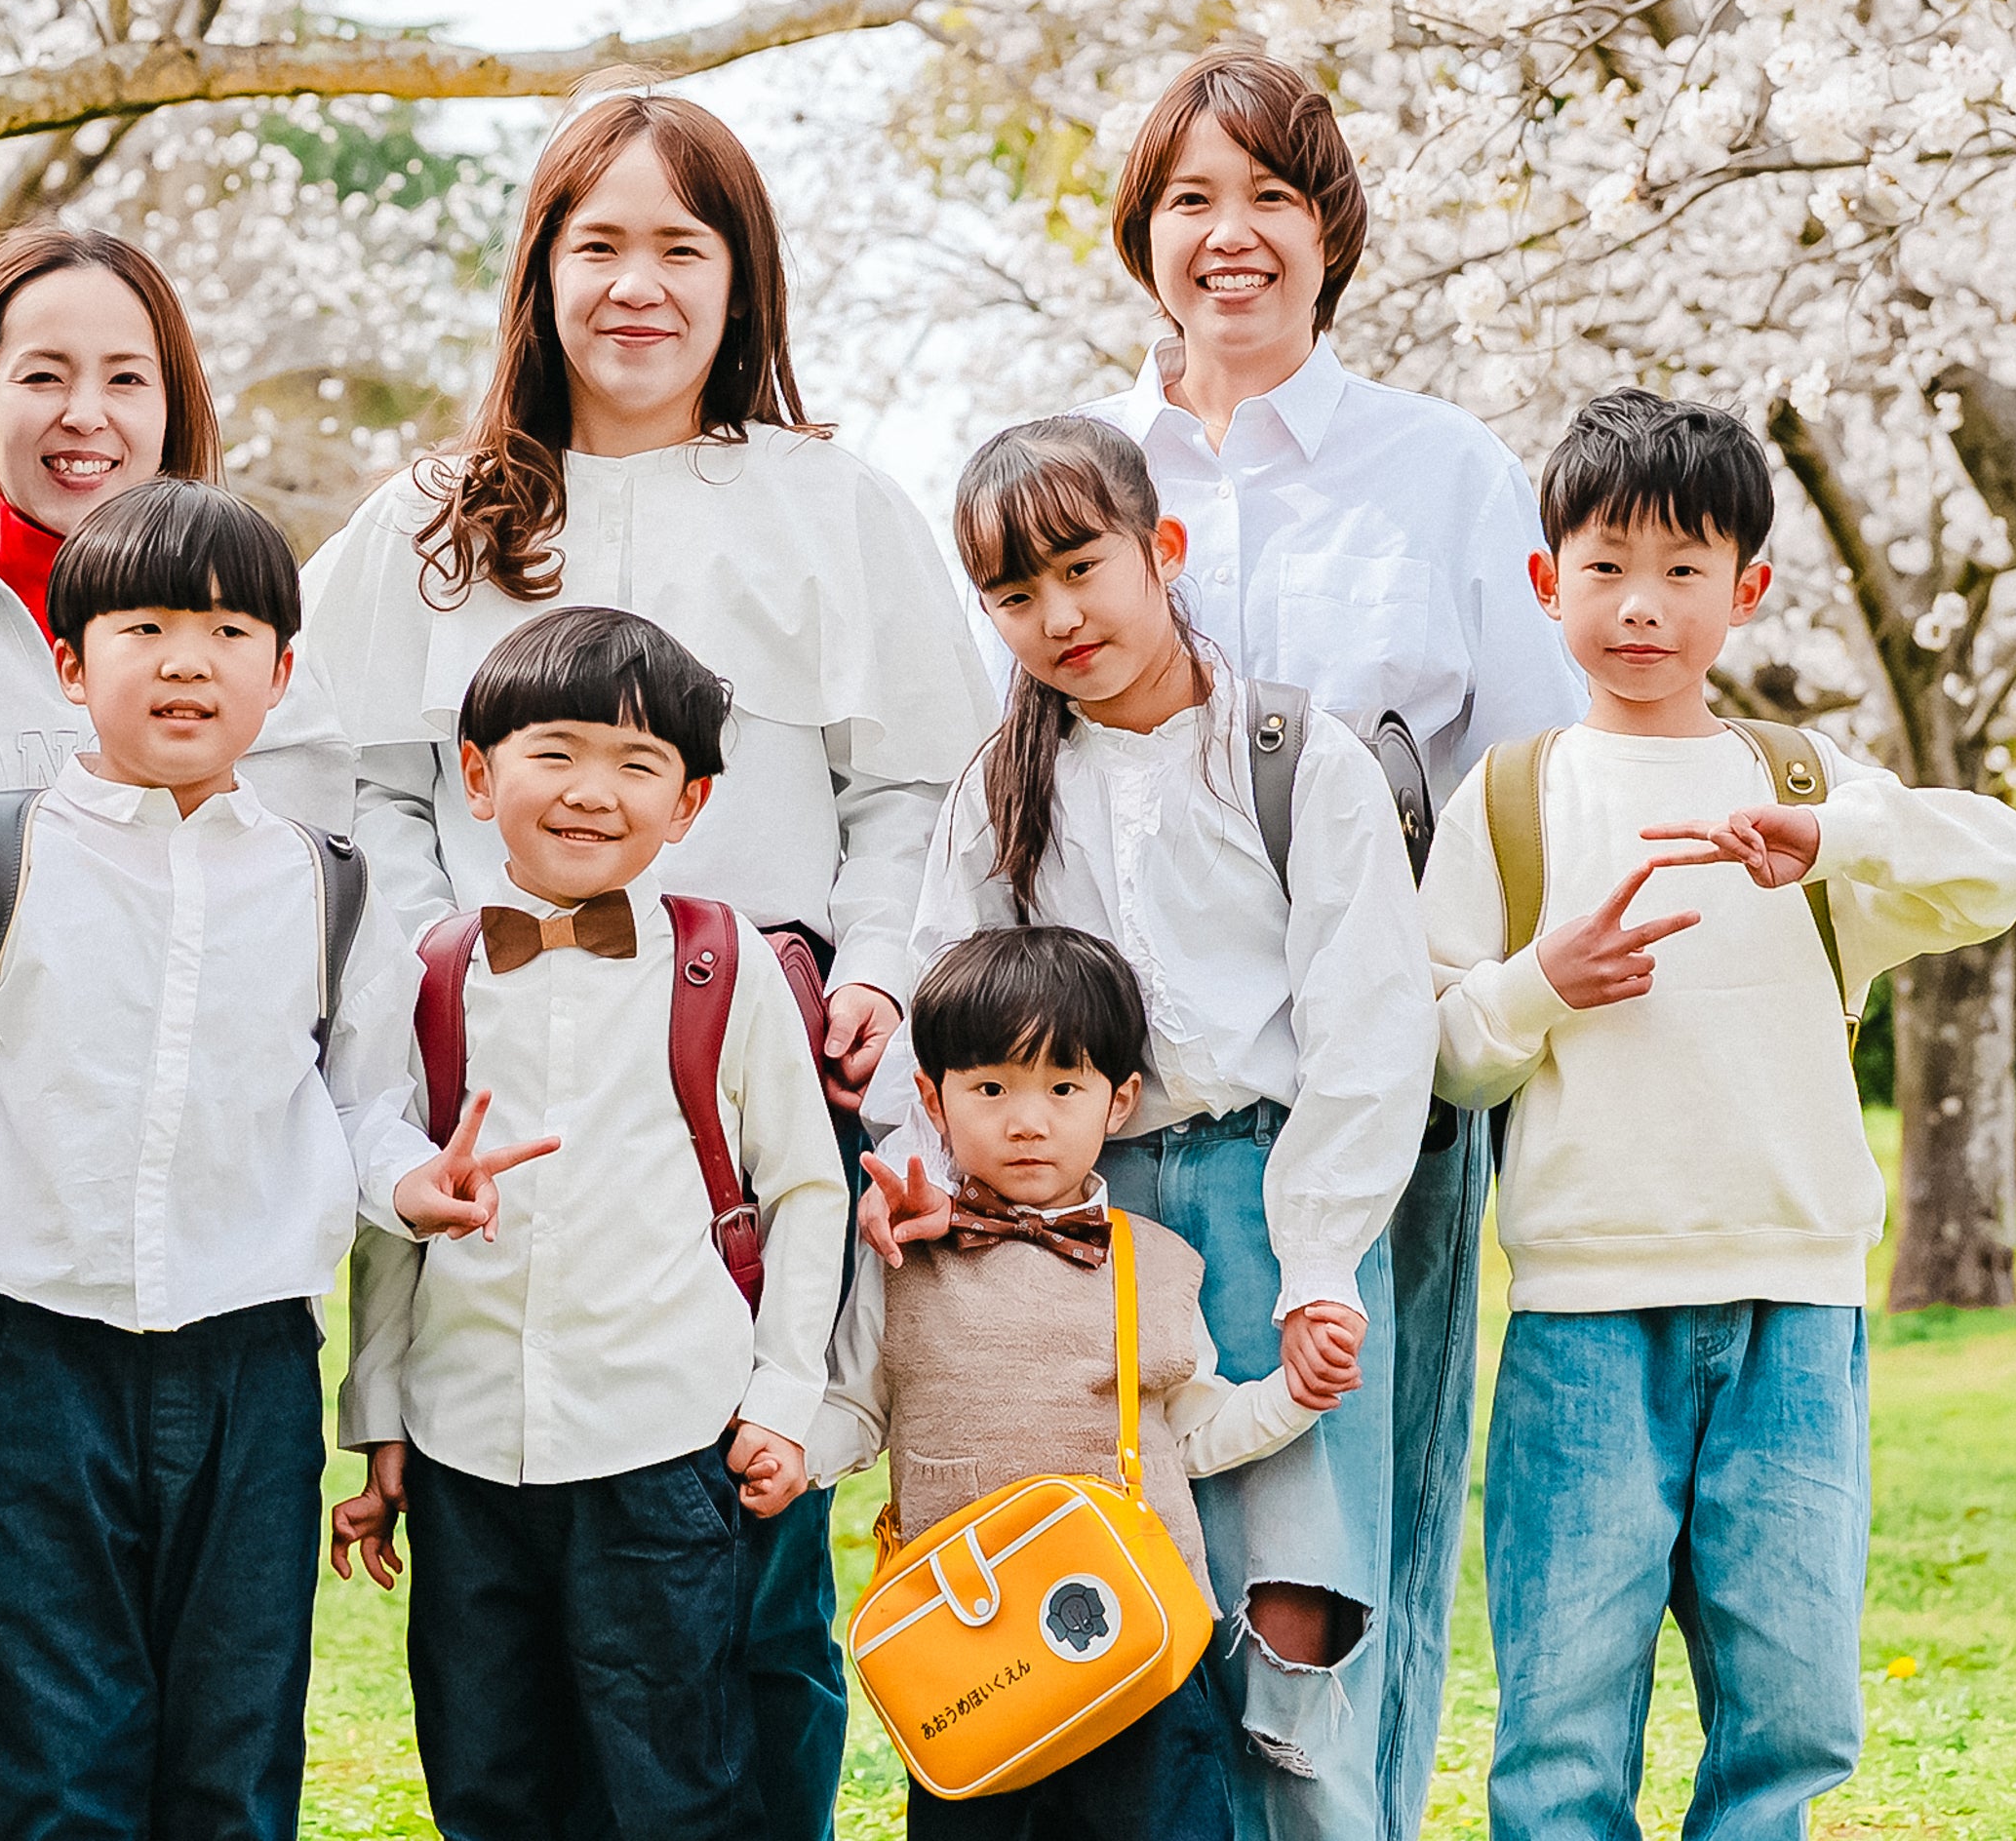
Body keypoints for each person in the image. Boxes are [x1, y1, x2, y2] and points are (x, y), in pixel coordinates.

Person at [275, 84, 995, 1838]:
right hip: (495, 1065)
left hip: (758, 1048)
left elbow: (924, 779)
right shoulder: (440, 516)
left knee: (738, 1588)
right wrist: (433, 962)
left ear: (743, 282)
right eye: (598, 244)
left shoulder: (829, 504)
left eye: (686, 246)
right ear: (540, 275)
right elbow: (332, 768)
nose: (638, 287)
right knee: (505, 1667)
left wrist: (876, 977)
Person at [0, 477, 543, 1841]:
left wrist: (415, 1184)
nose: (182, 662)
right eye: (143, 626)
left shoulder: (329, 885)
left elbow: (363, 1106)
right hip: (39, 1360)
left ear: (281, 675)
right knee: (50, 1759)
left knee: (233, 1758)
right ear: (66, 659)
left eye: (225, 634)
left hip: (253, 1368)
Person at [1075, 43, 1588, 1841]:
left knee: (1344, 1560)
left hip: (1371, 1110)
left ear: (1331, 230)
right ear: (1142, 239)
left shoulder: (1440, 473)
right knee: (1119, 1554)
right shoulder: (1080, 474)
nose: (1233, 239)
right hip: (1112, 1126)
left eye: (1272, 197)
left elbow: (1533, 780)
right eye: (1192, 201)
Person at [1423, 392, 2016, 1841]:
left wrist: (1835, 838)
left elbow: (2004, 867)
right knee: (1562, 1728)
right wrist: (1541, 980)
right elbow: (1445, 1057)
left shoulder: (1805, 788)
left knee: (1794, 1715)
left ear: (1748, 590)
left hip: (1794, 1314)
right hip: (1584, 1322)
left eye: (1686, 569)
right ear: (1545, 583)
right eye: (1607, 565)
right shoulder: (1512, 799)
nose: (1643, 605)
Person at [864, 417, 1432, 1835]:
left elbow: (1366, 1030)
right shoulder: (999, 789)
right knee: (1098, 1617)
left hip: (1273, 1188)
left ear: (1160, 550)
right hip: (1078, 1223)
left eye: (1080, 566)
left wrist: (1316, 1262)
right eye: (1011, 593)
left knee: (1296, 1615)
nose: (1056, 617)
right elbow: (950, 1004)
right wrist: (922, 1174)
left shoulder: (1295, 756)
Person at [330, 607, 852, 1841]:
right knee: (487, 1768)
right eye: (554, 752)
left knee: (675, 1776)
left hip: (663, 1442)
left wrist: (783, 1397)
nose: (590, 793)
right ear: (475, 773)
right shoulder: (435, 973)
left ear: (690, 803)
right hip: (468, 1451)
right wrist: (380, 1417)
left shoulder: (725, 967)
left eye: (638, 765)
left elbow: (806, 1191)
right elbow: (400, 1213)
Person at [0, 227, 225, 1841]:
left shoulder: (239, 618)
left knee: (156, 1697)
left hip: (168, 1254)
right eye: (43, 375)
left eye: (124, 378)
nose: (85, 414)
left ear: (175, 405)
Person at [815, 927, 1322, 1841]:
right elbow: (856, 1405)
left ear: (1118, 1100)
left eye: (1063, 1088)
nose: (1027, 1120)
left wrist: (1290, 1394)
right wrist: (789, 1452)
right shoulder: (901, 1259)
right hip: (971, 1653)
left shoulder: (1154, 1264)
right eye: (991, 1089)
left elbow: (1191, 1433)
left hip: (1139, 1644)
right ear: (932, 1098)